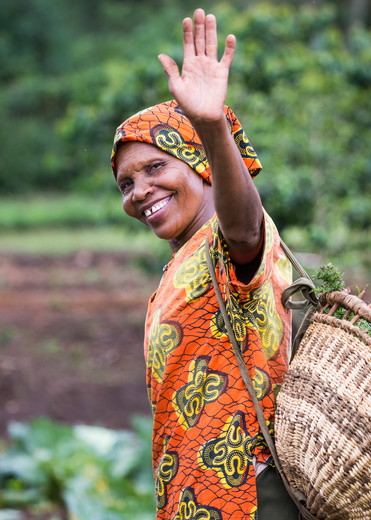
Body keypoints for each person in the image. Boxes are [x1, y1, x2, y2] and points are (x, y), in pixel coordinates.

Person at [111, 8, 298, 520]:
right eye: (126, 183)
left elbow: (245, 226)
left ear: (201, 165)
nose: (139, 192)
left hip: (249, 497)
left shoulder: (228, 244)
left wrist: (212, 126)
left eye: (154, 167)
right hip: (196, 499)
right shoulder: (185, 263)